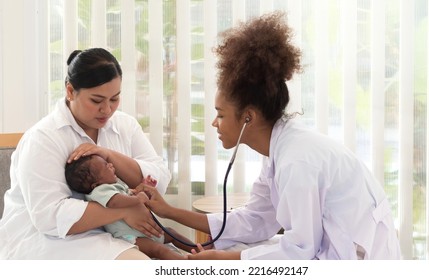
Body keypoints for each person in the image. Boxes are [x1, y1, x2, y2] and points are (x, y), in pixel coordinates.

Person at [136, 11, 401, 260]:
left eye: (221, 114)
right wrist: (169, 212)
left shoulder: (297, 160)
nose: (214, 123)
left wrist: (223, 259)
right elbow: (256, 220)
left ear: (248, 117)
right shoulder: (279, 150)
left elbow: (299, 252)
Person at [0, 48, 171, 259]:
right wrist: (123, 211)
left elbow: (159, 181)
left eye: (114, 99)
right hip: (50, 240)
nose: (107, 110)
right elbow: (49, 217)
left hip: (113, 234)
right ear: (70, 91)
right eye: (97, 101)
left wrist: (109, 155)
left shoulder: (125, 125)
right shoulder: (43, 138)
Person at [65, 154, 194, 259]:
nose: (111, 165)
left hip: (145, 232)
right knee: (159, 250)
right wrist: (138, 199)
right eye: (106, 166)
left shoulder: (115, 186)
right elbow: (115, 201)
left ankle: (199, 250)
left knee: (171, 232)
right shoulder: (100, 191)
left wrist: (143, 186)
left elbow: (128, 195)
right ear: (95, 182)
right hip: (132, 238)